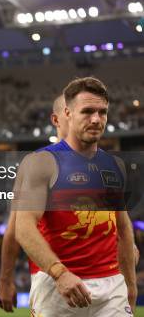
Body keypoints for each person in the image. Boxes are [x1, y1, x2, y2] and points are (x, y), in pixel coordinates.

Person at [15, 77, 137, 316]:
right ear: (68, 114)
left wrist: (130, 286)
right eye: (88, 111)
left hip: (111, 286)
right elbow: (23, 227)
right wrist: (59, 272)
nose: (96, 119)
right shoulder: (41, 162)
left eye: (102, 112)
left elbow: (122, 229)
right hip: (58, 287)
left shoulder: (115, 165)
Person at [0, 94, 69, 312]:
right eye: (70, 112)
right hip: (51, 280)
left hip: (103, 277)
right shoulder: (37, 164)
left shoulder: (102, 163)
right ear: (57, 119)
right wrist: (5, 280)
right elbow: (14, 229)